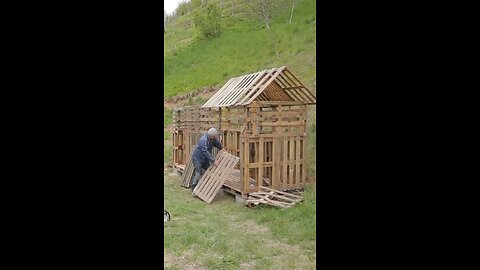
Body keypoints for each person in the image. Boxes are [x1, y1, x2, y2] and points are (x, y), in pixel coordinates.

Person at [190, 127, 223, 197]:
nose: (216, 136)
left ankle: (207, 189)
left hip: (205, 159)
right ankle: (193, 189)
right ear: (212, 135)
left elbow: (218, 144)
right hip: (197, 158)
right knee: (198, 174)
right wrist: (213, 160)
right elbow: (205, 152)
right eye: (215, 135)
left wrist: (222, 148)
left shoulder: (213, 139)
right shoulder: (203, 140)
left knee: (209, 172)